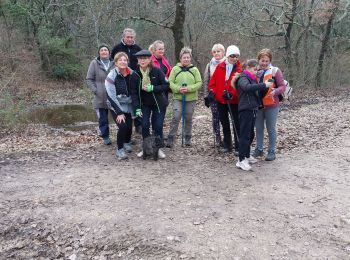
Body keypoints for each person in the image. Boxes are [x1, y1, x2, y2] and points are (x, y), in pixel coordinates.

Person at [233, 59, 273, 171]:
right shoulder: (243, 78)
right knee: (245, 135)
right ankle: (241, 160)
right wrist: (263, 84)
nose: (256, 72)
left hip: (253, 108)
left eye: (257, 70)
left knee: (250, 135)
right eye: (254, 69)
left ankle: (246, 155)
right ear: (247, 68)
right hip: (245, 109)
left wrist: (266, 86)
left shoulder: (253, 79)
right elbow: (247, 88)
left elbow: (258, 93)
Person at [129, 49, 169, 159]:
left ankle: (158, 148)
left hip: (158, 103)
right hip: (144, 104)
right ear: (137, 60)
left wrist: (154, 88)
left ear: (149, 59)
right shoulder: (135, 74)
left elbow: (166, 85)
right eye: (140, 59)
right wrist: (137, 108)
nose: (142, 60)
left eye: (145, 58)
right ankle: (145, 148)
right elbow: (133, 94)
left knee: (158, 126)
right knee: (145, 126)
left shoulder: (157, 71)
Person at [208, 45, 242, 154]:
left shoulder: (240, 69)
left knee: (236, 122)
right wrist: (212, 91)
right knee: (224, 123)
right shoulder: (220, 67)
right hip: (221, 100)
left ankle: (238, 145)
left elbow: (240, 85)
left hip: (233, 101)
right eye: (232, 56)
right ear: (227, 55)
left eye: (237, 56)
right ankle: (228, 145)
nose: (234, 58)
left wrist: (232, 94)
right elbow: (212, 82)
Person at [165, 47, 202, 147]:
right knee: (176, 116)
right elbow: (170, 82)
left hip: (191, 98)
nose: (186, 59)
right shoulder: (175, 69)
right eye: (184, 57)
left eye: (188, 57)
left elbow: (199, 83)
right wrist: (178, 89)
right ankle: (171, 138)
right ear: (180, 58)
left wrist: (189, 88)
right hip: (178, 98)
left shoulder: (194, 70)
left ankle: (187, 138)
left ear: (190, 58)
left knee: (188, 118)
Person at [253, 48, 286, 161]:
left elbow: (282, 86)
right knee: (258, 128)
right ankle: (259, 149)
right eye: (262, 60)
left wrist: (275, 91)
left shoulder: (275, 71)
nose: (264, 63)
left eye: (267, 61)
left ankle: (271, 151)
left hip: (272, 104)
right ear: (258, 60)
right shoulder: (255, 71)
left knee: (270, 128)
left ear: (270, 61)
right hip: (258, 104)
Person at [110, 28, 143, 134]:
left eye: (131, 37)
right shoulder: (117, 48)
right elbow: (112, 62)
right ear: (123, 37)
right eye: (128, 37)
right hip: (121, 79)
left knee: (136, 100)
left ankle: (138, 125)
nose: (129, 39)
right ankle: (124, 126)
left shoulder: (138, 48)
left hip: (135, 78)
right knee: (124, 102)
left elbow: (142, 62)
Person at [105, 52, 135, 160]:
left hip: (129, 103)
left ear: (127, 62)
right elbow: (111, 96)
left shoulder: (132, 73)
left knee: (129, 126)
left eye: (125, 60)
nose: (123, 62)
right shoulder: (111, 76)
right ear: (116, 62)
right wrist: (119, 112)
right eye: (120, 60)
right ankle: (120, 149)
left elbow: (135, 91)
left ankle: (127, 142)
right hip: (115, 104)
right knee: (122, 126)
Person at [86, 44, 115, 145]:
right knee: (103, 119)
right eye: (102, 50)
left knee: (119, 117)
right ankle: (106, 137)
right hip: (100, 97)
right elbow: (89, 79)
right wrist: (96, 90)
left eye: (106, 50)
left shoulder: (114, 62)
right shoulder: (94, 63)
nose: (104, 52)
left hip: (114, 96)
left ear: (109, 52)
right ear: (99, 52)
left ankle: (124, 137)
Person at [203, 43, 226, 148]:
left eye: (219, 51)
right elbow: (206, 81)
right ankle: (218, 139)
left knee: (225, 118)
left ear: (223, 52)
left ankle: (227, 138)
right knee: (215, 118)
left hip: (226, 96)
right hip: (213, 96)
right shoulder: (209, 65)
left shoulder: (227, 63)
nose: (217, 53)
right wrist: (206, 96)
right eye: (214, 52)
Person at [149, 40, 172, 142]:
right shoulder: (150, 60)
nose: (162, 51)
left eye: (163, 48)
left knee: (162, 112)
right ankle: (156, 134)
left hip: (164, 90)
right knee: (155, 114)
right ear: (154, 50)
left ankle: (160, 133)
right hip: (153, 91)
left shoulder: (164, 60)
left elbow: (169, 73)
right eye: (159, 49)